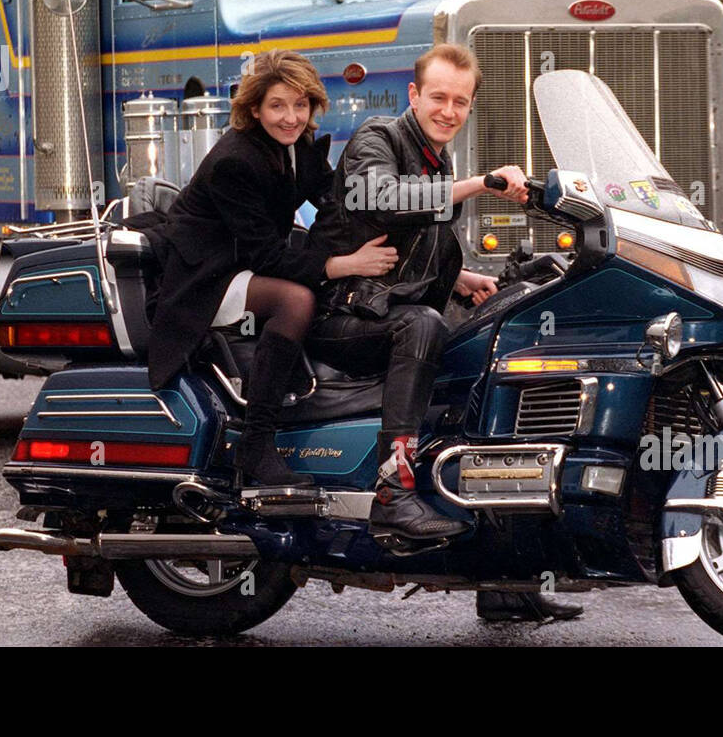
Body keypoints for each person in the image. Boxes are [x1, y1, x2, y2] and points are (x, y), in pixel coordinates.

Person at [307, 43, 583, 621]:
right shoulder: (377, 138)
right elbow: (382, 201)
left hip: (389, 306)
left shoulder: (436, 156)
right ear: (414, 95)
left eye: (460, 101)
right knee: (423, 325)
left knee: (505, 337)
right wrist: (479, 183)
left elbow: (419, 245)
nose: (449, 110)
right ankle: (393, 493)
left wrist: (468, 280)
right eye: (438, 97)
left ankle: (506, 575)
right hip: (341, 316)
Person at [129, 50, 397, 488]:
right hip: (204, 275)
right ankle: (257, 443)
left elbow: (340, 205)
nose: (290, 117)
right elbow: (267, 257)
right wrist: (344, 262)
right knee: (296, 299)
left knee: (320, 280)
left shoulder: (300, 146)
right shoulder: (237, 162)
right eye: (277, 105)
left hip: (243, 263)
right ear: (254, 109)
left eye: (300, 105)